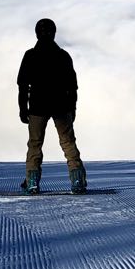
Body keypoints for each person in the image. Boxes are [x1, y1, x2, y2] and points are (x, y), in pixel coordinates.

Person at [17, 18, 87, 194]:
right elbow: (72, 87)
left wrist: (22, 109)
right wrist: (73, 109)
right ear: (54, 33)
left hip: (37, 107)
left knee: (35, 144)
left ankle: (32, 183)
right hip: (61, 106)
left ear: (36, 34)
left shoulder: (30, 55)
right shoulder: (63, 56)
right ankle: (77, 181)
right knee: (68, 143)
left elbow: (23, 85)